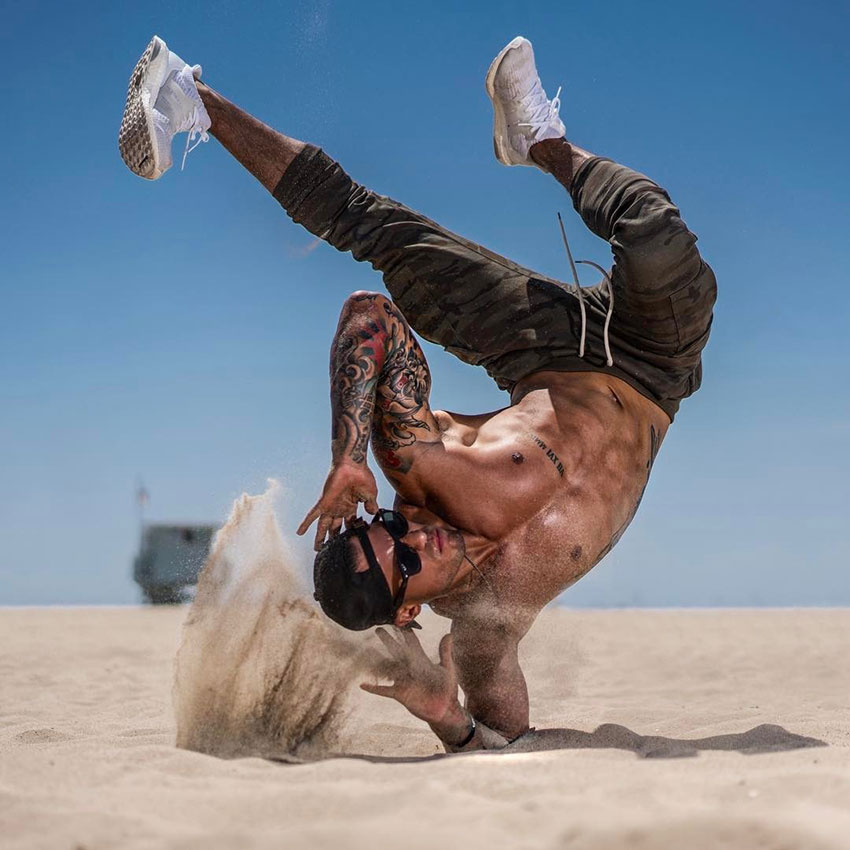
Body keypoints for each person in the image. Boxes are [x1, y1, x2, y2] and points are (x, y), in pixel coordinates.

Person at [119, 35, 716, 752]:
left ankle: (193, 100)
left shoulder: (421, 467)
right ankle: (541, 138)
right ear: (408, 613)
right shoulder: (486, 632)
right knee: (660, 244)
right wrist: (442, 712)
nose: (413, 535)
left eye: (391, 530)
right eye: (404, 562)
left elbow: (369, 316)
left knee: (381, 229)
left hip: (545, 349)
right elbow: (506, 745)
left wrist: (348, 454)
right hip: (656, 364)